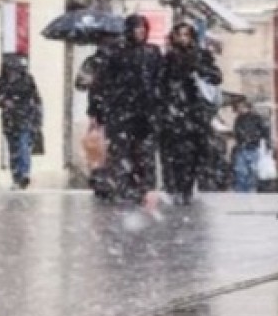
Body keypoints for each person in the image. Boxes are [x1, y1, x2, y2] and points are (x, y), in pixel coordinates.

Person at [92, 14, 163, 204]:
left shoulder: (152, 52)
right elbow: (102, 82)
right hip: (121, 110)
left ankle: (140, 187)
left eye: (143, 29)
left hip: (144, 112)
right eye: (137, 29)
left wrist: (157, 105)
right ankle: (123, 186)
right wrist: (98, 109)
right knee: (120, 151)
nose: (140, 33)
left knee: (142, 152)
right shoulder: (115, 52)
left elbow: (159, 80)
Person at [159, 22, 223, 204]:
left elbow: (216, 76)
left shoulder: (201, 56)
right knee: (173, 153)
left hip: (196, 112)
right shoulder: (169, 58)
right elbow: (161, 83)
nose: (183, 39)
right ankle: (175, 186)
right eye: (180, 35)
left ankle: (187, 186)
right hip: (174, 113)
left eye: (187, 35)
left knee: (194, 152)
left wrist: (199, 70)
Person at [0, 54, 42, 190]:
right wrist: (3, 102)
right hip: (10, 119)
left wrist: (36, 118)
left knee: (23, 146)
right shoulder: (1, 82)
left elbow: (36, 99)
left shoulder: (27, 81)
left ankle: (23, 173)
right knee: (14, 148)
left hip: (24, 118)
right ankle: (17, 175)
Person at [231, 99, 272, 193]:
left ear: (247, 107)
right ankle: (244, 190)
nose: (239, 109)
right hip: (245, 147)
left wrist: (266, 143)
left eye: (241, 107)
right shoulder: (240, 118)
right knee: (243, 171)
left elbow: (265, 131)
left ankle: (247, 190)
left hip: (251, 147)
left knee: (248, 171)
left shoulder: (255, 118)